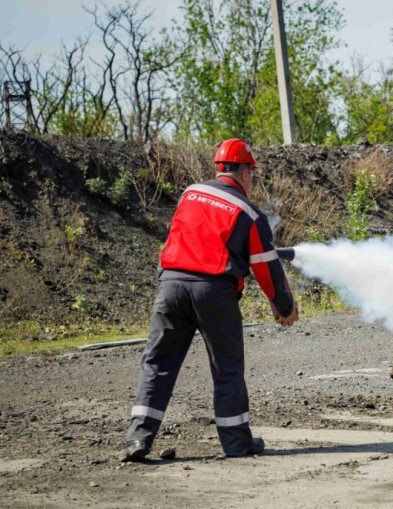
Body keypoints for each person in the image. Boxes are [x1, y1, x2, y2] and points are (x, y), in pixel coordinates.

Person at [120, 138, 298, 462]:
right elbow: (267, 269)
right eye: (252, 175)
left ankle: (137, 440)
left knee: (157, 364)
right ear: (245, 173)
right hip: (213, 291)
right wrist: (284, 306)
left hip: (170, 286)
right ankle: (236, 443)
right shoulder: (249, 213)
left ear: (220, 169)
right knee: (227, 368)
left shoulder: (190, 193)